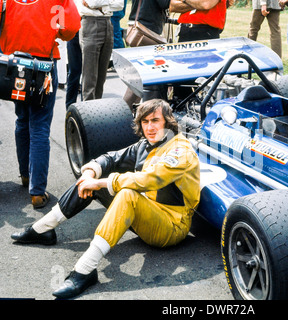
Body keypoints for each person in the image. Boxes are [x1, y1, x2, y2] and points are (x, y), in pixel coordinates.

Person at [11, 99, 201, 299]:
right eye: (145, 122)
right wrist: (92, 171)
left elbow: (148, 180)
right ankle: (43, 229)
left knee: (125, 193)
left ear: (168, 122)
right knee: (90, 181)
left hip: (172, 226)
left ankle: (85, 270)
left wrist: (101, 183)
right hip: (147, 212)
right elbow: (113, 157)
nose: (150, 127)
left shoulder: (181, 150)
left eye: (155, 120)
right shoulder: (146, 144)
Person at [0, 0, 80, 208]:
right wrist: (54, 32)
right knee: (40, 126)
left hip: (13, 63)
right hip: (43, 64)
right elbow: (70, 28)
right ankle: (36, 191)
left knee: (22, 119)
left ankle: (26, 175)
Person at [75, 0, 124, 101]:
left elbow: (120, 5)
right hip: (90, 22)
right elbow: (92, 3)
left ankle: (97, 112)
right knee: (89, 78)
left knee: (101, 77)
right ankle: (88, 113)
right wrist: (108, 4)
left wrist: (102, 7)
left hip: (108, 23)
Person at [65, 31, 83, 109]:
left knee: (87, 76)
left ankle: (87, 110)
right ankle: (69, 109)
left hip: (88, 34)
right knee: (74, 74)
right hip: (74, 34)